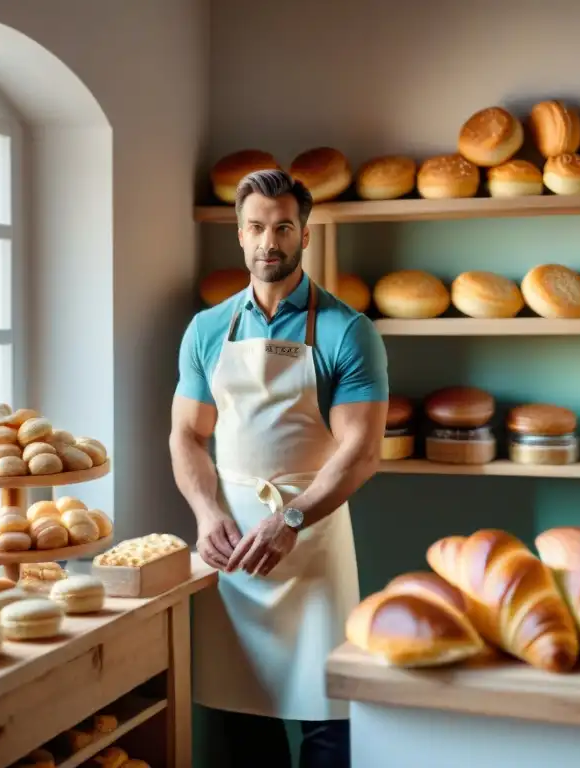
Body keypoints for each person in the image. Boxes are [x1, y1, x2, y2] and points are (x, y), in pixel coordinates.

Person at [170, 169, 389, 768]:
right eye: (257, 228)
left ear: (305, 236)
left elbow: (361, 452)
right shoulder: (208, 330)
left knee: (329, 715)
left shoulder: (350, 331)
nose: (270, 241)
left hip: (311, 534)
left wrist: (290, 518)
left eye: (283, 227)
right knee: (243, 714)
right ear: (239, 236)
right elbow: (187, 435)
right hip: (232, 544)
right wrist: (207, 510)